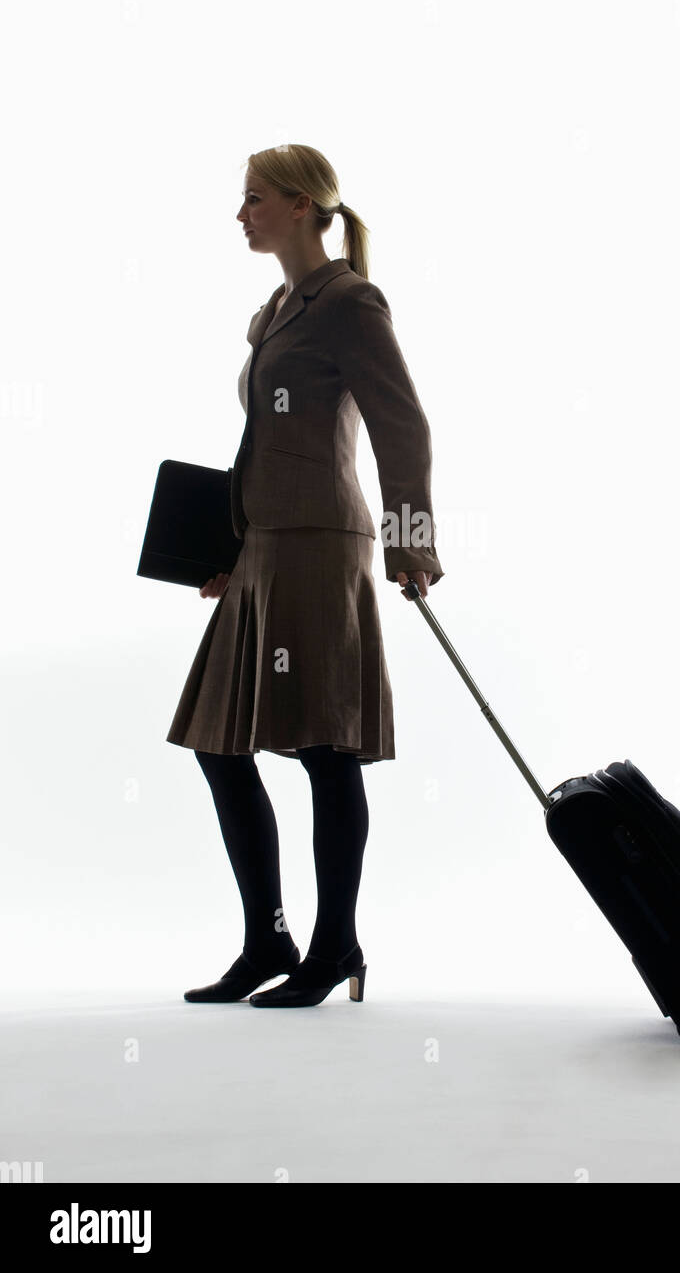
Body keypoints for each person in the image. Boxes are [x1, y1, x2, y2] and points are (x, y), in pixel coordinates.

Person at [165, 142, 444, 1007]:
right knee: (220, 745)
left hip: (322, 544)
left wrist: (411, 543)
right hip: (264, 548)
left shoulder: (349, 301)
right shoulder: (277, 308)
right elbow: (261, 440)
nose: (240, 214)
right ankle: (270, 941)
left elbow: (405, 428)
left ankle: (336, 948)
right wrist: (225, 542)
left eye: (253, 199)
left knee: (325, 750)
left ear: (299, 205)